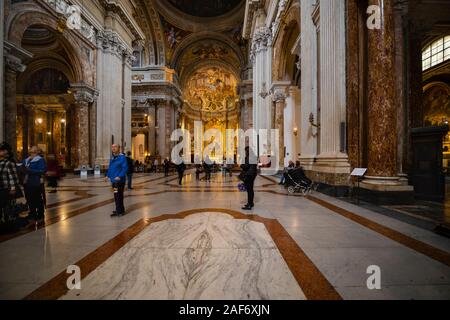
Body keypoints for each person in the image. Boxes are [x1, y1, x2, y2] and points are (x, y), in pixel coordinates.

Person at [22, 146, 47, 222]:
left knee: (37, 199)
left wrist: (29, 170)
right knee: (29, 199)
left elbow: (42, 170)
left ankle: (40, 215)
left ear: (37, 152)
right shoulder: (26, 160)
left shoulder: (40, 160)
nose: (31, 152)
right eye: (30, 151)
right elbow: (21, 168)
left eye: (33, 151)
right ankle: (32, 214)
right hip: (26, 182)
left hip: (36, 182)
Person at [105, 144, 128, 217]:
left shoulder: (122, 157)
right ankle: (119, 209)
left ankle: (120, 211)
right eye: (112, 147)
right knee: (116, 195)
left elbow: (125, 168)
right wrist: (107, 176)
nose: (113, 148)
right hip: (114, 181)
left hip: (119, 181)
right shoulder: (112, 158)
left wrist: (119, 176)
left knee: (119, 195)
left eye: (115, 147)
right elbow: (110, 168)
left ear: (119, 148)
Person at [0, 142, 21, 223]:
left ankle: (8, 222)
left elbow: (13, 177)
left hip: (6, 188)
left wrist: (13, 188)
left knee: (7, 206)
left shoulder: (9, 162)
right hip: (2, 187)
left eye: (2, 150)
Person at [240, 146, 257, 210]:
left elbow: (246, 166)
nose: (245, 152)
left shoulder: (248, 157)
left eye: (245, 151)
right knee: (251, 190)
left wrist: (241, 165)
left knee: (249, 190)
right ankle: (251, 203)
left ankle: (249, 205)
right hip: (253, 174)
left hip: (249, 175)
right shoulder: (254, 156)